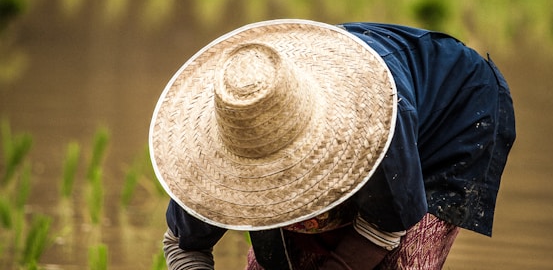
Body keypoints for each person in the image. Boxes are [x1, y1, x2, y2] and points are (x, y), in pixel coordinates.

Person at [149, 19, 515, 270]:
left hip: (449, 117)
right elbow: (184, 245)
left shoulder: (372, 128)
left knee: (403, 261)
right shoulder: (212, 163)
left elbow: (385, 227)